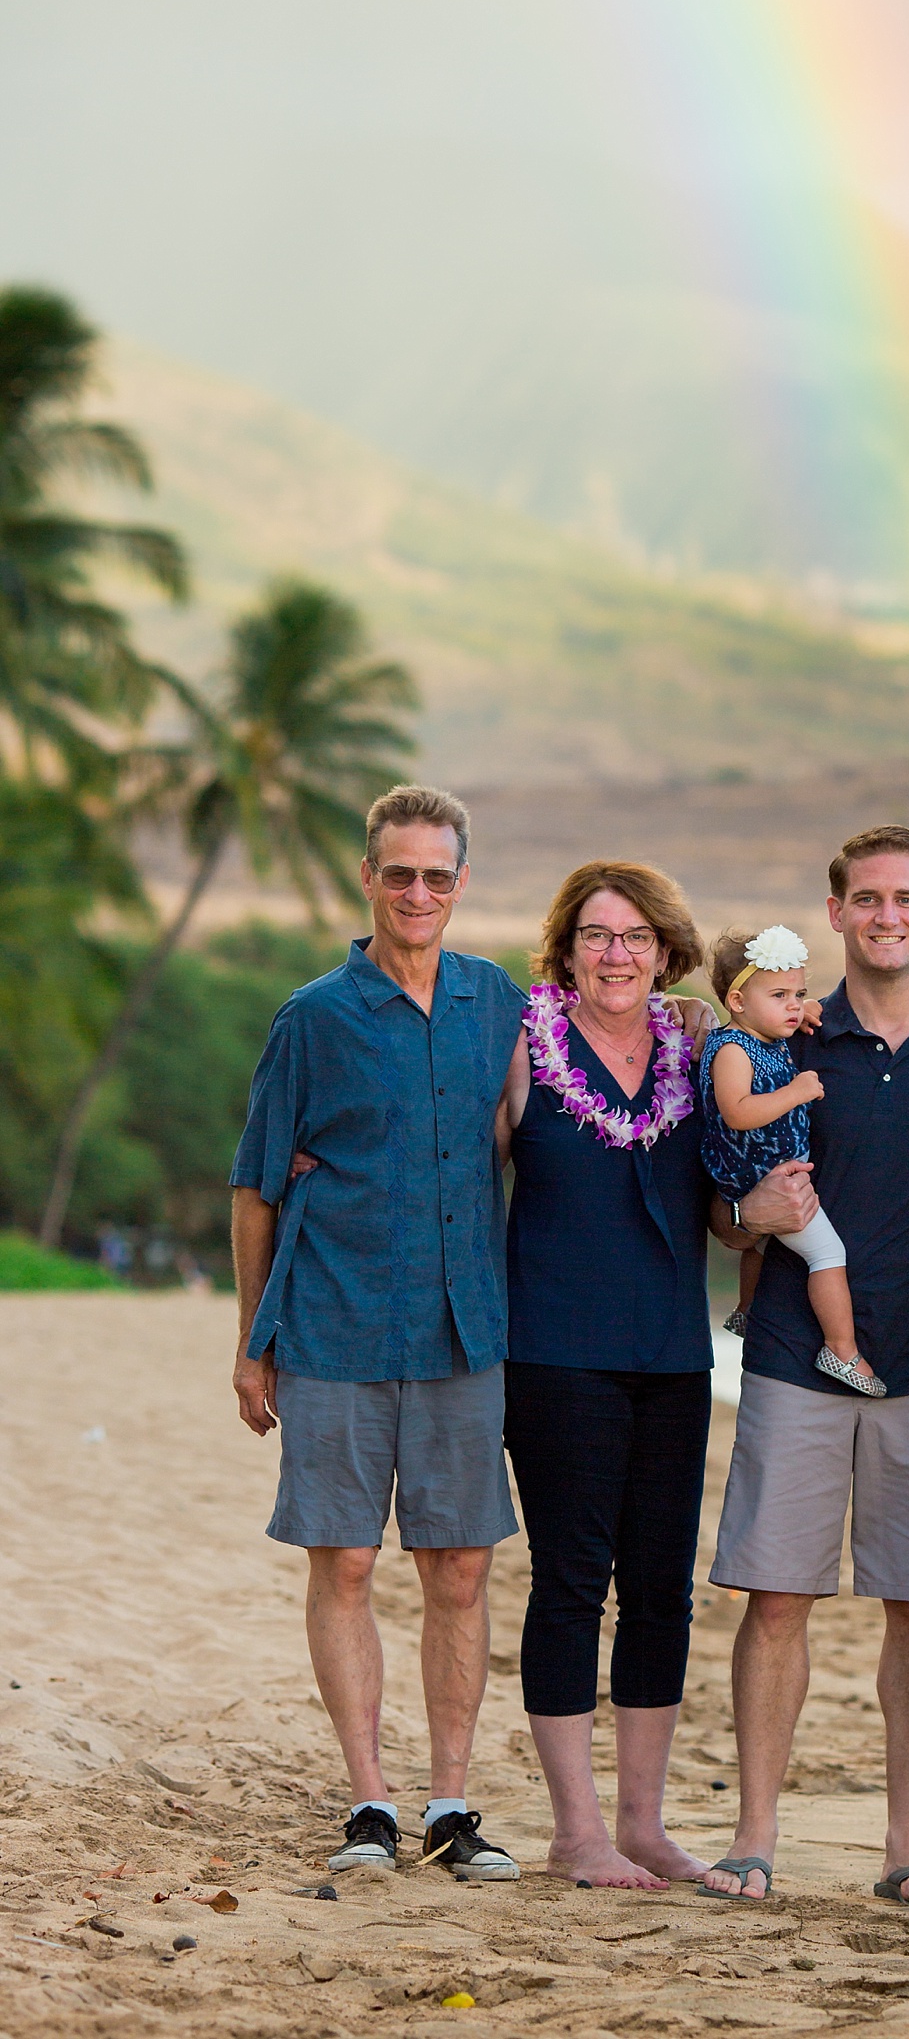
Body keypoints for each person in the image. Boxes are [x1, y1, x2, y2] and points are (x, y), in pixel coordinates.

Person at [701, 825, 909, 1907]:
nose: (886, 914)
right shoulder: (785, 1031)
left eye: (906, 897)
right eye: (866, 898)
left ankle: (907, 1843)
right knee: (779, 1596)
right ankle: (753, 1836)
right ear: (836, 912)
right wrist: (747, 1215)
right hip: (799, 1356)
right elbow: (724, 1191)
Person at [230, 785, 525, 1881]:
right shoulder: (312, 1015)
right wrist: (251, 1342)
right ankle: (370, 1800)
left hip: (463, 1325)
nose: (417, 891)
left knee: (457, 1568)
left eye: (437, 875)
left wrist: (693, 1015)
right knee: (346, 1558)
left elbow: (595, 1045)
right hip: (333, 1322)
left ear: (460, 883)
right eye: (398, 872)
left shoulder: (498, 1001)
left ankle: (452, 1803)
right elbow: (255, 1188)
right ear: (369, 876)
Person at [496, 860, 720, 1891]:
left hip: (674, 1352)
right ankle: (576, 1829)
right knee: (573, 1582)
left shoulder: (702, 1048)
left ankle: (643, 1822)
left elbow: (738, 1179)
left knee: (663, 1592)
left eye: (635, 936)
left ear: (666, 951)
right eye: (596, 934)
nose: (616, 953)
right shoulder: (521, 1046)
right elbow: (454, 1160)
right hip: (554, 1348)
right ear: (566, 949)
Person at [701, 924, 884, 1396]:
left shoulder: (762, 1033)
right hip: (759, 1174)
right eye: (779, 994)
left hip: (766, 1168)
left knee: (760, 1246)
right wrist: (796, 1091)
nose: (793, 1005)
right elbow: (738, 1112)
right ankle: (842, 1348)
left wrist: (802, 1008)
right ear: (738, 1003)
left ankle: (746, 1310)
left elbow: (793, 1012)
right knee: (827, 1253)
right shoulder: (732, 1050)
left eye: (798, 992)